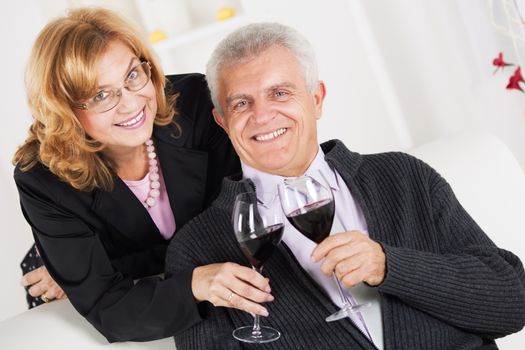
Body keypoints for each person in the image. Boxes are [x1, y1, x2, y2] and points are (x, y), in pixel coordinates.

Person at [165, 22, 525, 349]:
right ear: (222, 121)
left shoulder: (403, 176)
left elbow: (513, 304)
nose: (262, 116)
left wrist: (391, 267)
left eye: (279, 93)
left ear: (317, 99)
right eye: (242, 103)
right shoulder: (198, 250)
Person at [13, 8, 275, 342]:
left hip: (176, 284)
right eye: (100, 95)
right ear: (65, 111)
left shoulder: (195, 103)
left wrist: (108, 266)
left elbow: (238, 228)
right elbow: (108, 309)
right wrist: (192, 281)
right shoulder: (41, 180)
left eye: (133, 76)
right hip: (85, 291)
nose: (131, 104)